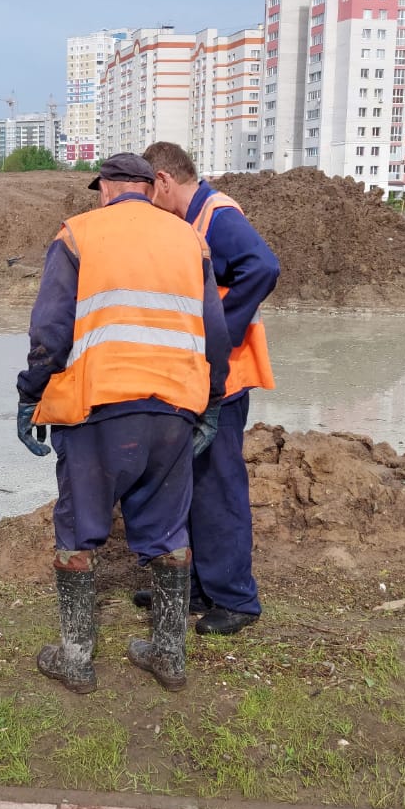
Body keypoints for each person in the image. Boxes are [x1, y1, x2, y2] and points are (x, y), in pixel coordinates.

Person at [16, 152, 229, 694]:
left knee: (78, 531)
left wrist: (31, 394)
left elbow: (51, 329)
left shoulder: (78, 234)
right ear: (150, 188)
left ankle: (77, 658)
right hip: (175, 408)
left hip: (99, 408)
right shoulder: (190, 239)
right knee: (167, 532)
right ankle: (168, 655)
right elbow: (215, 332)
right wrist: (212, 402)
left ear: (107, 189)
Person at [142, 141, 280, 635]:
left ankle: (236, 599)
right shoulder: (193, 221)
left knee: (219, 484)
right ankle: (200, 586)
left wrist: (221, 328)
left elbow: (264, 267)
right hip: (201, 375)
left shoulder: (218, 216)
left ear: (163, 180)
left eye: (147, 190)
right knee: (195, 483)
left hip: (226, 376)